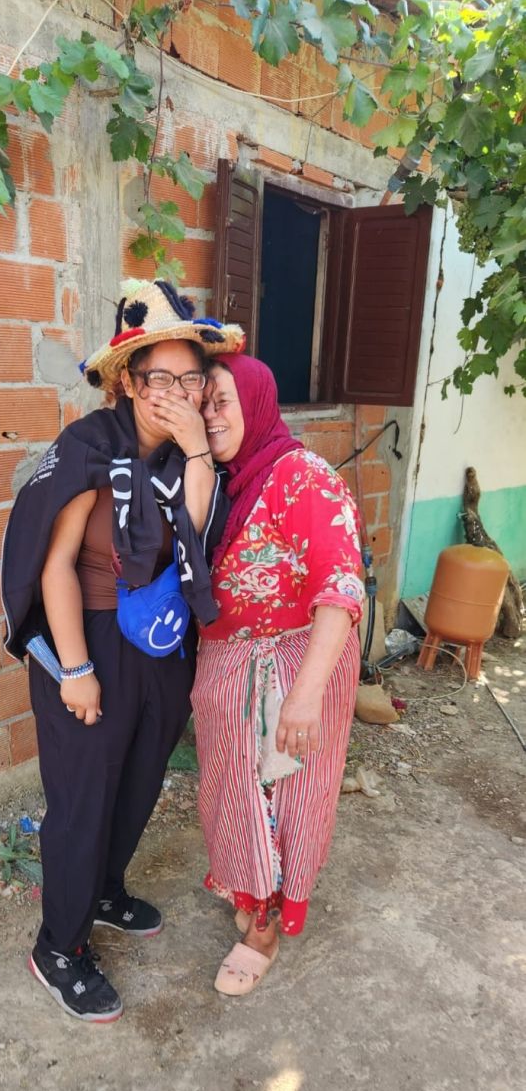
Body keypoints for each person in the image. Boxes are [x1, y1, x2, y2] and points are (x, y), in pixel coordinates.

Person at [1, 280, 244, 1022]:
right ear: (129, 382)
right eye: (158, 377)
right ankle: (58, 949)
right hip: (93, 641)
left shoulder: (185, 457)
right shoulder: (89, 450)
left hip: (160, 640)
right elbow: (55, 566)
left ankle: (104, 889)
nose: (175, 392)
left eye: (190, 378)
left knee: (139, 779)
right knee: (82, 800)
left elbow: (192, 544)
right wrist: (74, 669)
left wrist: (197, 447)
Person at [190, 353, 365, 996]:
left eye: (223, 401)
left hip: (289, 671)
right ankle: (252, 889)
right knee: (233, 795)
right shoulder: (225, 484)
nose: (211, 416)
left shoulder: (303, 479)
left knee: (286, 800)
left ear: (258, 404)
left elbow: (342, 588)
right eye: (202, 402)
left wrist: (305, 697)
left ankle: (264, 925)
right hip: (229, 669)